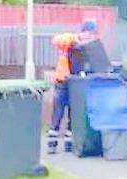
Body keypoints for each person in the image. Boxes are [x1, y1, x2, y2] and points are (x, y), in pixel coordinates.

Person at [47, 21, 98, 154]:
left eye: (92, 33)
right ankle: (52, 144)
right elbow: (56, 40)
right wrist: (75, 40)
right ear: (84, 31)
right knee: (58, 112)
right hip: (63, 81)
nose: (90, 36)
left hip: (77, 83)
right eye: (89, 33)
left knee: (73, 113)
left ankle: (69, 144)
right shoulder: (70, 41)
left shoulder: (89, 47)